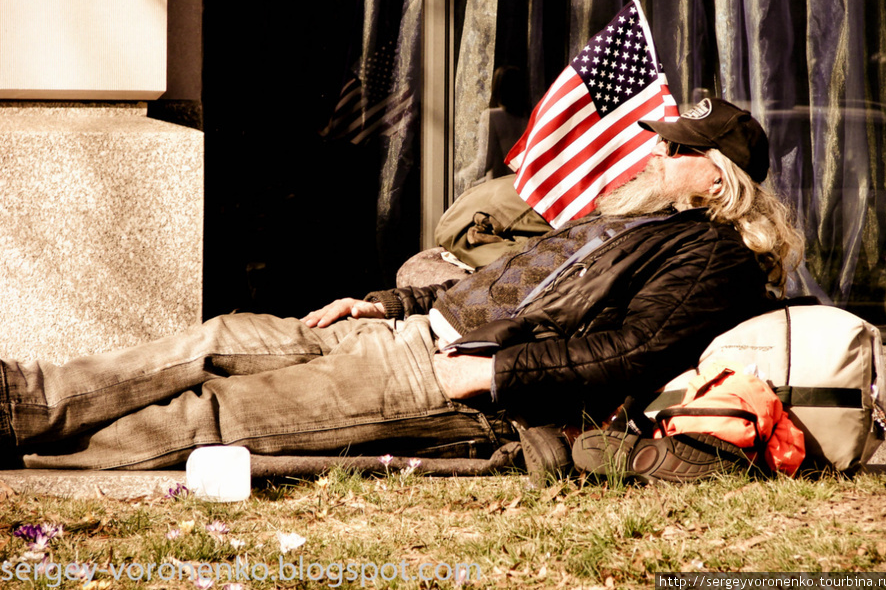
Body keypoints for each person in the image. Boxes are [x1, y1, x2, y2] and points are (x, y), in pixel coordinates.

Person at [0, 98, 803, 472]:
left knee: (222, 414)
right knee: (217, 337)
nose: (655, 153)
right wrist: (386, 301)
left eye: (677, 148)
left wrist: (489, 373)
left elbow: (631, 351)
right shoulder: (632, 220)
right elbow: (505, 282)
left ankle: (31, 451)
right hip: (410, 334)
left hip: (453, 381)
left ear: (721, 177)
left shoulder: (712, 256)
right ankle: (18, 403)